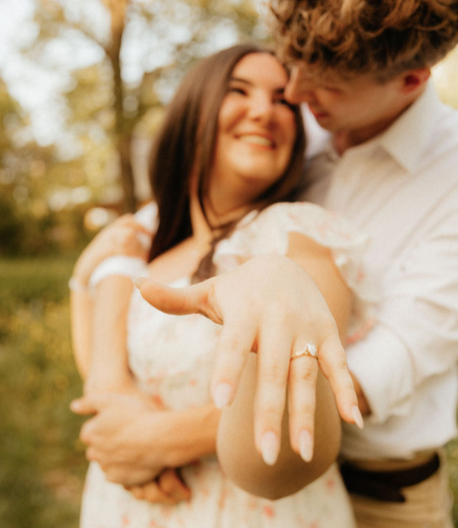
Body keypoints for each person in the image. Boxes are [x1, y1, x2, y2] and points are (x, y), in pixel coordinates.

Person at [132, 1, 458, 526]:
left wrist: (157, 438)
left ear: (411, 80)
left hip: (383, 494)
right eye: (292, 64)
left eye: (325, 82)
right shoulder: (295, 119)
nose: (295, 92)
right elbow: (188, 214)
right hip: (215, 477)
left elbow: (391, 362)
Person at [69, 43, 372, 527]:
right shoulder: (145, 246)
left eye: (282, 101)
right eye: (240, 90)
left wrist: (151, 441)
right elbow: (98, 368)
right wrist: (121, 442)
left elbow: (297, 438)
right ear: (194, 112)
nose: (263, 110)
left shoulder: (300, 237)